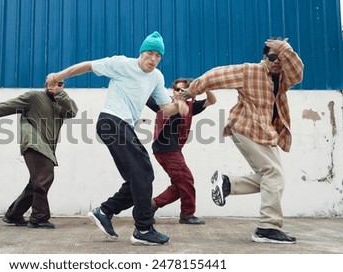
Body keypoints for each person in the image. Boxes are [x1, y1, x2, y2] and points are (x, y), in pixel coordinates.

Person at [47, 31, 187, 245]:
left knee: (140, 178)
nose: (153, 59)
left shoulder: (157, 77)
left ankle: (105, 211)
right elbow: (88, 65)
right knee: (144, 171)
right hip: (111, 121)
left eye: (158, 55)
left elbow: (165, 110)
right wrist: (58, 76)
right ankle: (143, 228)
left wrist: (178, 103)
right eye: (150, 53)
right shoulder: (122, 64)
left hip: (124, 126)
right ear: (141, 52)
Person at [187, 38, 304, 244]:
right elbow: (216, 75)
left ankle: (228, 184)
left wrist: (284, 49)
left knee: (271, 178)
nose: (277, 62)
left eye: (281, 58)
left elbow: (298, 71)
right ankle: (267, 227)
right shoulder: (251, 71)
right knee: (273, 174)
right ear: (264, 58)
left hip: (264, 132)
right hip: (247, 126)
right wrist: (192, 90)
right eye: (272, 57)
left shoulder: (284, 78)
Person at [0, 81, 78, 229]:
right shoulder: (34, 96)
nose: (54, 85)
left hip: (47, 147)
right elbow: (10, 105)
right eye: (51, 83)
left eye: (59, 83)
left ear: (63, 86)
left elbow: (72, 112)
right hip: (34, 143)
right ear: (46, 84)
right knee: (43, 180)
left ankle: (13, 215)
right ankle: (38, 218)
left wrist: (60, 94)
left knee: (35, 183)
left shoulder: (59, 104)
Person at [147, 78, 216, 225]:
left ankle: (151, 205)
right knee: (186, 181)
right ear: (173, 91)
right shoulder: (164, 104)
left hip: (173, 150)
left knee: (181, 185)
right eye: (177, 89)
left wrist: (203, 87)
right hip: (166, 149)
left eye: (184, 90)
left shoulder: (191, 106)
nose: (180, 92)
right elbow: (146, 97)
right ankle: (187, 214)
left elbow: (212, 100)